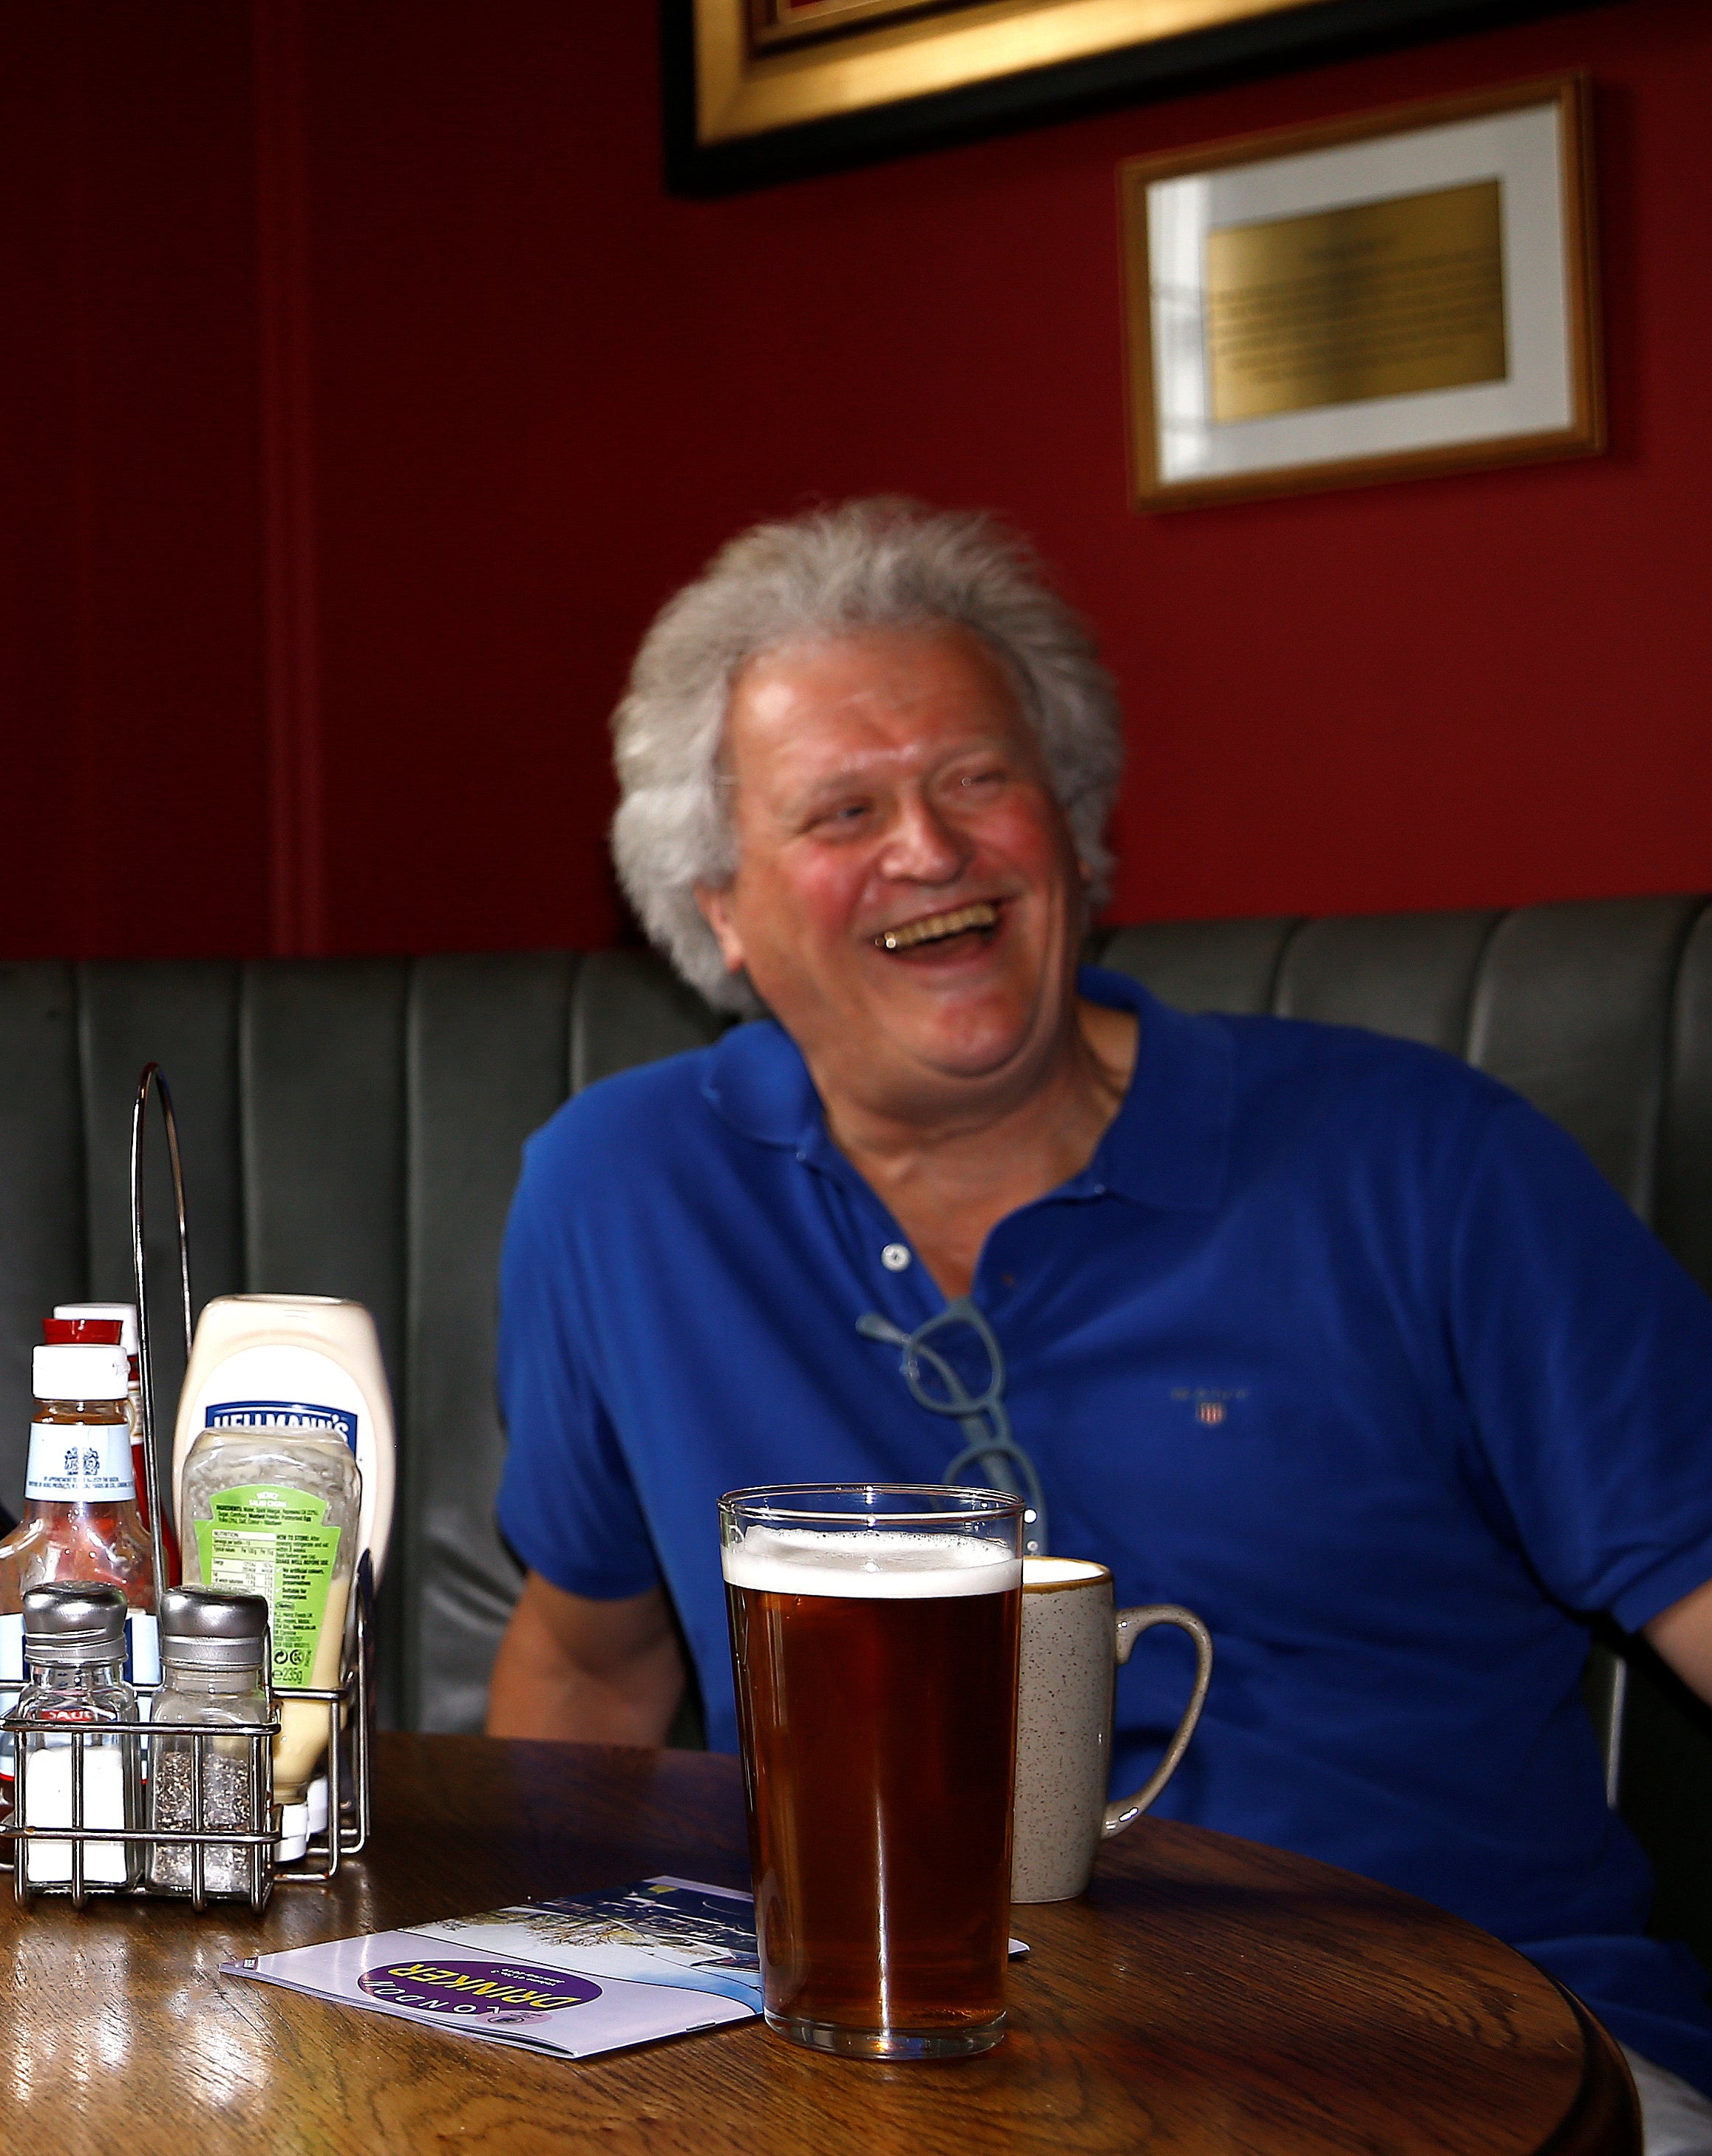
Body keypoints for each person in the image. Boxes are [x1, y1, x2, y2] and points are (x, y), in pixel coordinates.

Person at [485, 498, 1712, 2142]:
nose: (929, 848)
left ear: (1069, 825)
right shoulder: (618, 1189)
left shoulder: (1426, 1162)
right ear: (720, 910)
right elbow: (585, 1665)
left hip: (1459, 2064)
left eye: (978, 778)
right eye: (843, 808)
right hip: (871, 2072)